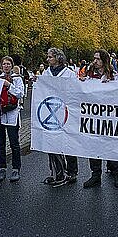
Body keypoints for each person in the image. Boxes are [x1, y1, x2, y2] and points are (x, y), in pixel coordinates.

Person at [79, 49, 118, 188]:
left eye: (98, 59)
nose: (95, 61)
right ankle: (96, 175)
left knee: (111, 145)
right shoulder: (89, 75)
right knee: (93, 146)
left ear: (104, 60)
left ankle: (117, 173)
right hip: (93, 117)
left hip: (109, 118)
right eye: (94, 58)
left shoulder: (113, 75)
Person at [42, 48, 78, 187]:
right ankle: (57, 171)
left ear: (58, 58)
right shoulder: (46, 72)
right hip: (51, 111)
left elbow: (74, 91)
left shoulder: (69, 73)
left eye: (50, 57)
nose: (48, 59)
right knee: (52, 142)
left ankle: (72, 171)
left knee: (68, 142)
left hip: (65, 112)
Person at [0, 56, 25, 182]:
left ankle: (16, 168)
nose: (6, 66)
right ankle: (2, 168)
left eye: (8, 64)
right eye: (4, 64)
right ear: (1, 66)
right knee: (0, 144)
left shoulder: (17, 79)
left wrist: (9, 85)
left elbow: (20, 93)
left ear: (12, 66)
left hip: (12, 114)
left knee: (14, 143)